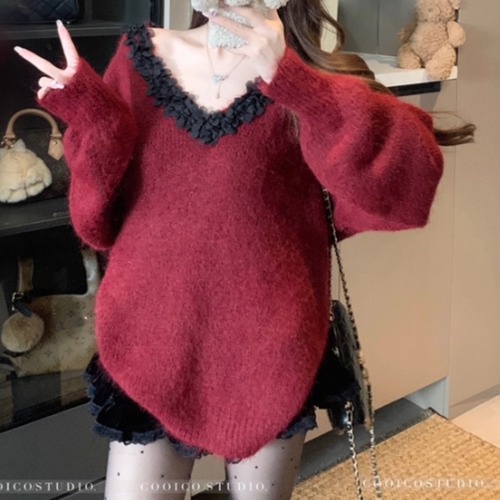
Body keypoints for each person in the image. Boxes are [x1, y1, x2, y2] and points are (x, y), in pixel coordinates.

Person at [15, 1, 474, 499]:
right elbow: (96, 227)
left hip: (272, 350)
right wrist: (97, 121)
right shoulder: (138, 56)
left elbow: (406, 193)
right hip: (150, 340)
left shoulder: (313, 74)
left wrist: (296, 83)